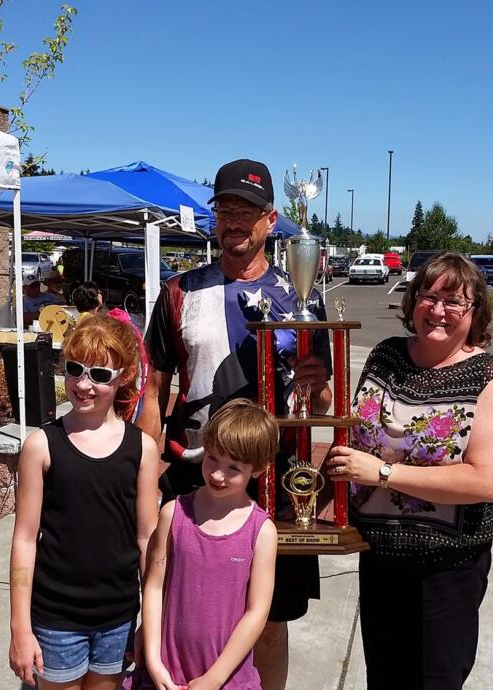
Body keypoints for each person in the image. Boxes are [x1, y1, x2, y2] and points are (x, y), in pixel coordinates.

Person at [139, 158, 332, 690]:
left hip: (280, 484)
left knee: (270, 624)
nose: (234, 222)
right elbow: (154, 391)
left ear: (271, 220)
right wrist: (143, 468)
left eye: (247, 211)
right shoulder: (179, 293)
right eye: (225, 209)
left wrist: (317, 384)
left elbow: (322, 404)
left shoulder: (303, 297)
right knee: (184, 611)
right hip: (196, 477)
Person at [324, 253, 493, 690]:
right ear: (412, 302)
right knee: (385, 680)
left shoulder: (488, 376)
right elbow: (355, 434)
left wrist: (384, 474)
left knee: (434, 681)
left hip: (447, 568)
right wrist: (315, 392)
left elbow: (484, 482)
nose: (438, 310)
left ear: (476, 311)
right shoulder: (386, 355)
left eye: (454, 301)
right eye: (429, 297)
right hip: (379, 558)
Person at [9, 315, 162, 690]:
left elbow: (148, 539)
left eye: (99, 374)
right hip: (55, 616)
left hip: (118, 616)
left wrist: (152, 626)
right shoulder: (41, 445)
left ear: (123, 376)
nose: (83, 384)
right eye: (75, 370)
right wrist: (19, 627)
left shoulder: (141, 448)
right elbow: (25, 539)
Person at [129, 400, 279, 690]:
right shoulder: (173, 514)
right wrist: (153, 661)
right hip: (165, 672)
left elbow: (256, 612)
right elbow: (154, 586)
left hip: (226, 678)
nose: (217, 475)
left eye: (233, 467)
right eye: (212, 459)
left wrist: (214, 678)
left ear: (258, 470)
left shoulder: (261, 533)